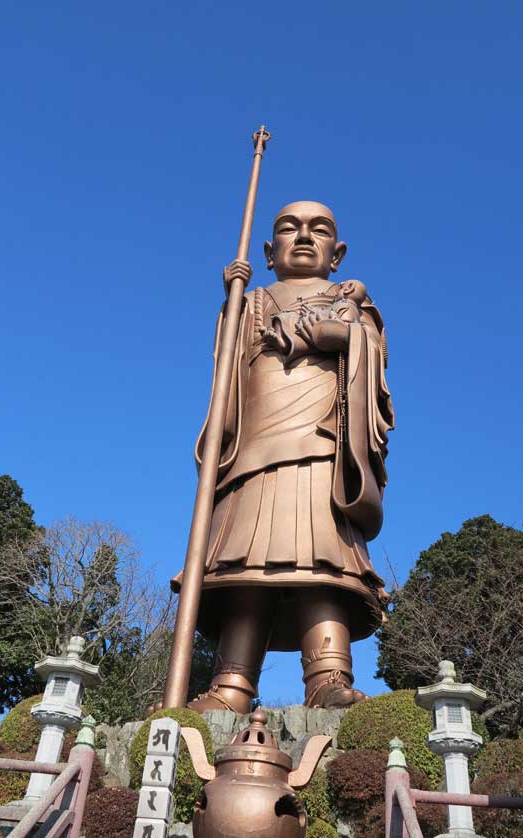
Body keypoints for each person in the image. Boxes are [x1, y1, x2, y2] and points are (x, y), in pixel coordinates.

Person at [171, 201, 394, 713]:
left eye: (318, 231)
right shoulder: (250, 302)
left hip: (321, 448)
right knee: (247, 568)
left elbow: (372, 353)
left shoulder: (348, 299)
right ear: (269, 252)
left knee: (322, 563)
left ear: (336, 254)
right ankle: (231, 683)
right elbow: (227, 368)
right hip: (253, 445)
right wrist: (230, 302)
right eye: (289, 230)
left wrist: (336, 333)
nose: (303, 237)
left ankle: (327, 676)